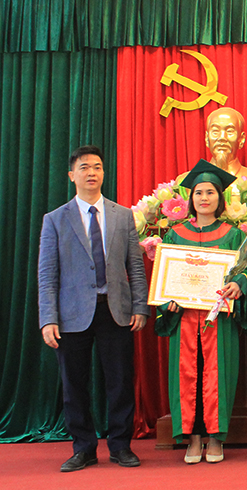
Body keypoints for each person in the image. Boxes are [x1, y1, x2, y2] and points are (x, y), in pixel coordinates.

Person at [38, 145, 148, 472]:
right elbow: (47, 273)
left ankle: (120, 446)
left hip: (116, 310)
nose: (91, 173)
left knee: (120, 381)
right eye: (84, 167)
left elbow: (135, 266)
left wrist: (139, 306)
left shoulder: (122, 216)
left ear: (103, 173)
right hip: (71, 314)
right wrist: (48, 318)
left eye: (97, 167)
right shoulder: (55, 220)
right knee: (74, 385)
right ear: (71, 175)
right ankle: (83, 448)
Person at [155, 160, 247, 464]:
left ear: (220, 197)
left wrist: (239, 284)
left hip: (219, 320)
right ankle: (193, 437)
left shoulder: (232, 235)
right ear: (191, 198)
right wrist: (167, 301)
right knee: (190, 376)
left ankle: (215, 437)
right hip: (185, 319)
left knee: (217, 376)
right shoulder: (175, 234)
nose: (204, 198)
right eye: (198, 192)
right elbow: (163, 276)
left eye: (210, 192)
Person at [176, 107, 247, 199]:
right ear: (207, 138)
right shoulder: (185, 183)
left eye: (230, 131)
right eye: (215, 131)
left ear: (241, 139)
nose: (222, 137)